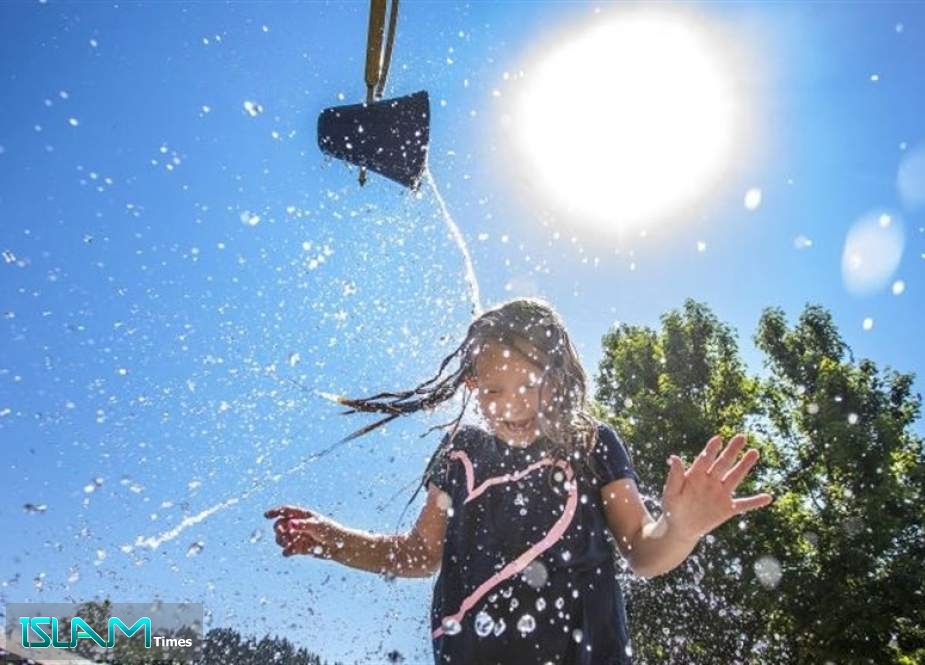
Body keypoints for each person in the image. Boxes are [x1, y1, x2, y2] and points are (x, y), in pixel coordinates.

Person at [265, 297, 774, 664]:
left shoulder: (590, 444)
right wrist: (333, 539)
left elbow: (642, 551)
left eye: (529, 385)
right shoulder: (462, 455)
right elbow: (421, 553)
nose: (511, 405)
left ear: (558, 376)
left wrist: (680, 528)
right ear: (471, 386)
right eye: (493, 390)